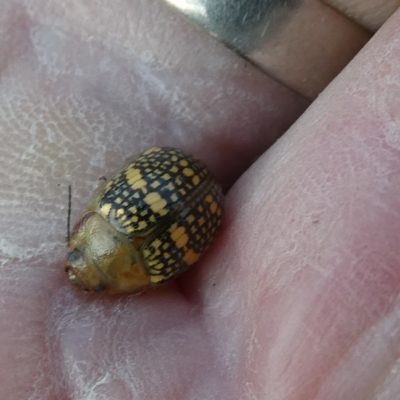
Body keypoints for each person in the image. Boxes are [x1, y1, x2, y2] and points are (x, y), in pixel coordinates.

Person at [1, 0, 399, 398]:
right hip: (176, 176)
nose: (73, 273)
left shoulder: (153, 271)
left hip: (193, 197)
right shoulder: (113, 215)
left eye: (73, 256)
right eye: (82, 264)